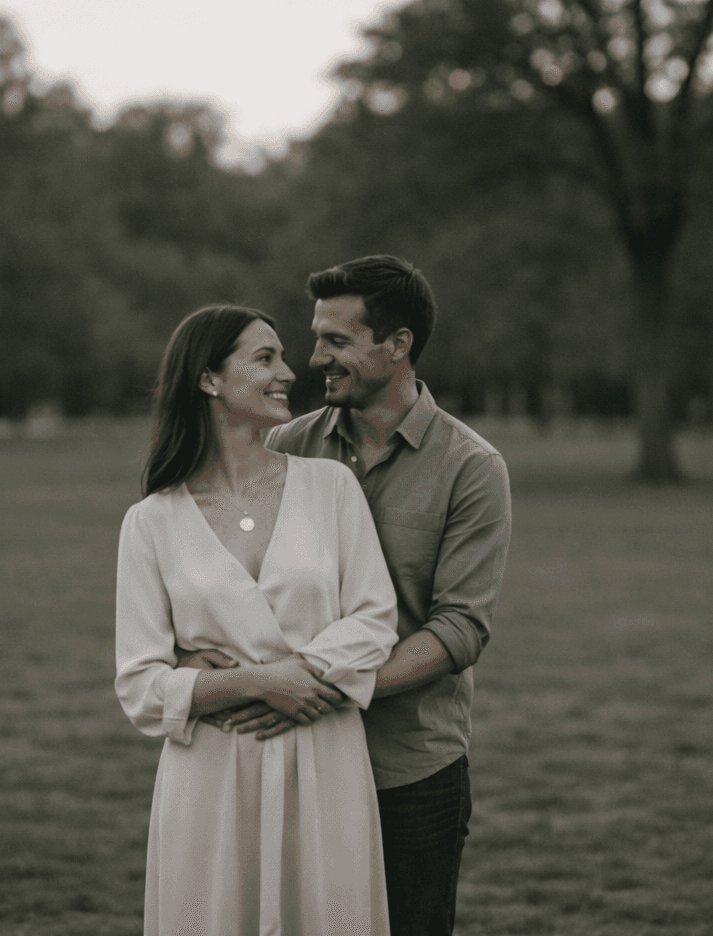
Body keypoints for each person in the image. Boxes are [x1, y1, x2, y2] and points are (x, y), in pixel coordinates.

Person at [188, 256, 512, 936]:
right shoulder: (284, 445)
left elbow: (458, 629)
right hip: (287, 761)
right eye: (317, 338)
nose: (315, 358)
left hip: (408, 770)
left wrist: (324, 689)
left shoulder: (471, 467)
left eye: (337, 340)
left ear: (397, 347)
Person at [114, 303, 399, 936]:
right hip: (212, 774)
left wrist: (297, 675)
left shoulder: (330, 488)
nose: (289, 373)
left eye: (283, 357)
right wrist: (250, 685)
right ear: (209, 378)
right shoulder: (151, 522)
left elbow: (375, 617)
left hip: (322, 755)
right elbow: (139, 685)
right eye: (264, 358)